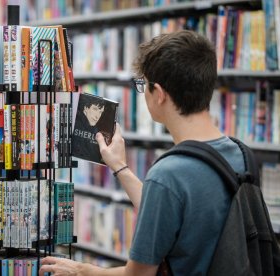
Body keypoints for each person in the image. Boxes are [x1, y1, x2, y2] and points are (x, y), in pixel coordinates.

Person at [40, 30, 246, 275]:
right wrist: (120, 167)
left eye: (142, 85)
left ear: (158, 94)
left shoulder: (169, 173)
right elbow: (168, 212)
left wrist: (82, 270)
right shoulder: (238, 153)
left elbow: (138, 274)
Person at [71, 96, 107, 163]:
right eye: (95, 109)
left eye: (100, 112)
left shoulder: (94, 129)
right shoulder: (75, 124)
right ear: (86, 108)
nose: (97, 116)